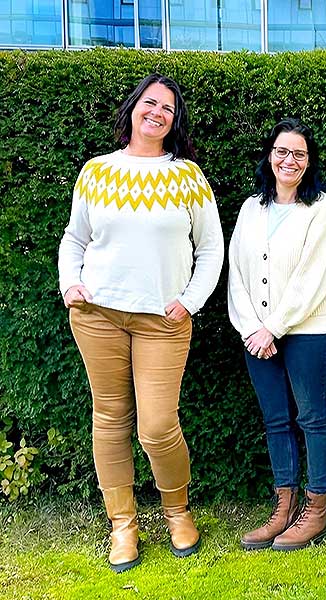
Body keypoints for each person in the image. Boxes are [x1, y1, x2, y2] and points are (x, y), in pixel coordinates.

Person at [58, 73, 224, 572]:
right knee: (109, 420)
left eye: (168, 109)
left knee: (156, 426)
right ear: (133, 108)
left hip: (162, 321)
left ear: (175, 122)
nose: (157, 112)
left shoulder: (188, 177)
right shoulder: (96, 171)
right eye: (149, 103)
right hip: (97, 315)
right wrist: (71, 285)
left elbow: (211, 248)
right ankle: (123, 525)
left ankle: (177, 511)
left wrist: (190, 301)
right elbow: (75, 238)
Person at [228, 118, 326, 552]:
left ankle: (315, 510)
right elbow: (236, 272)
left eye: (298, 153)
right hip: (257, 335)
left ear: (309, 162)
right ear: (270, 156)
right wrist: (252, 329)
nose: (289, 160)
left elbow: (312, 278)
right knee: (275, 419)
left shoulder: (322, 208)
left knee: (312, 417)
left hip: (310, 329)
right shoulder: (249, 208)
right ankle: (283, 507)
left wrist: (273, 327)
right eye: (282, 151)